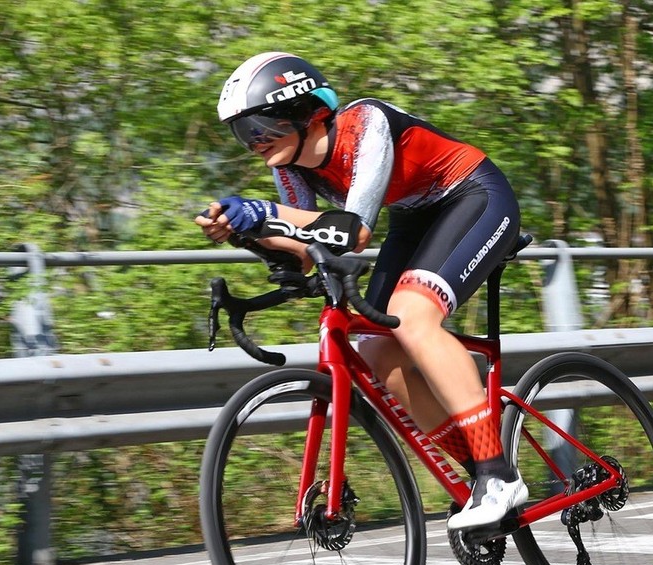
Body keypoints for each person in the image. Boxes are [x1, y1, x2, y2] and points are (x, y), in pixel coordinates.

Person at [195, 52, 527, 530]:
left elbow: (353, 231)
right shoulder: (289, 166)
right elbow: (308, 244)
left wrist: (262, 211)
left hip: (475, 195)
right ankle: (477, 471)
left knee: (413, 316)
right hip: (414, 217)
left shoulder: (365, 123)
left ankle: (499, 476)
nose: (254, 143)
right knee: (376, 349)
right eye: (243, 134)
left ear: (304, 112)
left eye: (259, 127)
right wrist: (245, 231)